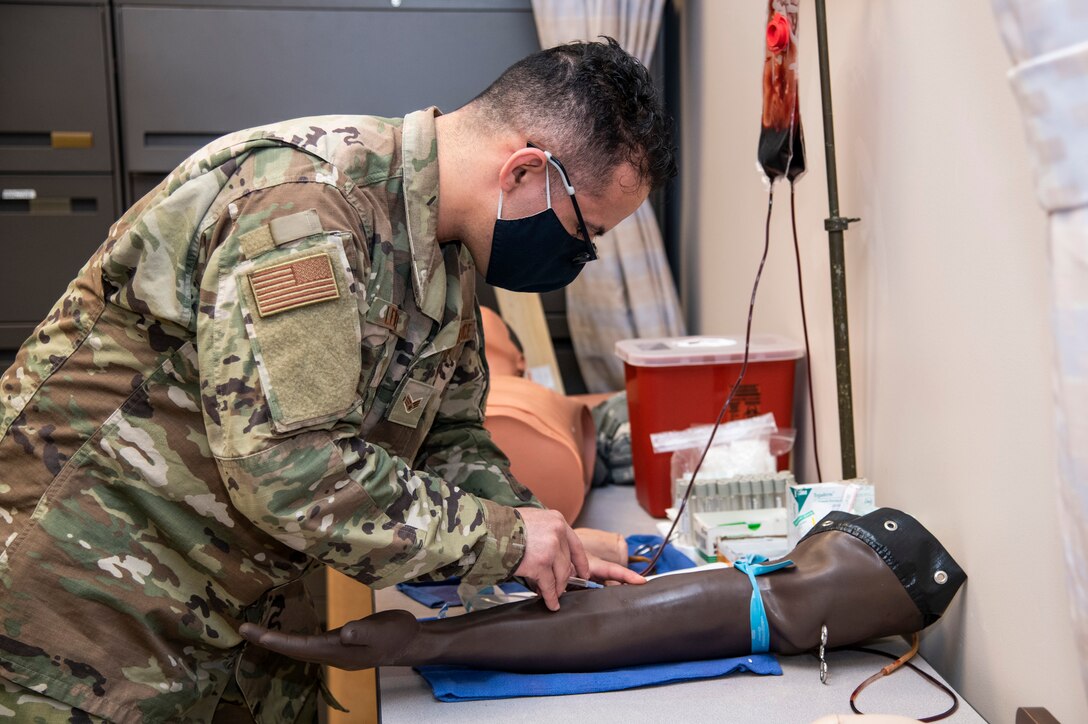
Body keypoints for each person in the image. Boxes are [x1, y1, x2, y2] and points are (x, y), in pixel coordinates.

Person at [0, 37, 676, 723]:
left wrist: (537, 536)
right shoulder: (305, 210)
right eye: (580, 232)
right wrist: (500, 538)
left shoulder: (448, 248)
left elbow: (453, 432)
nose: (577, 257)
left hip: (232, 617)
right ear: (525, 172)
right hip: (81, 618)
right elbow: (291, 471)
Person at [239, 508, 966, 675]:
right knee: (592, 618)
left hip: (749, 604)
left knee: (596, 619)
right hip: (747, 600)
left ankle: (403, 643)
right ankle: (404, 643)